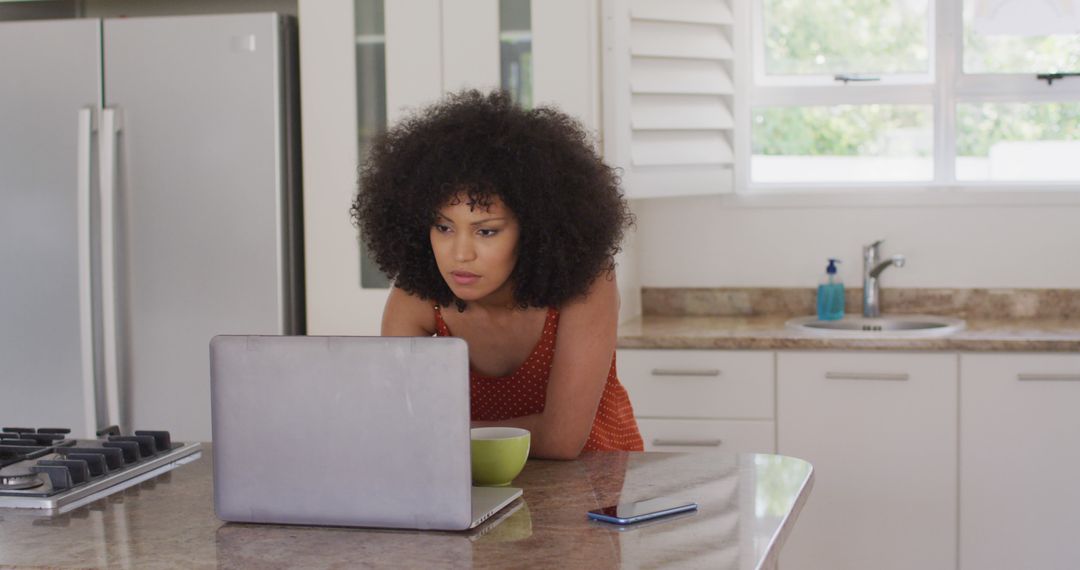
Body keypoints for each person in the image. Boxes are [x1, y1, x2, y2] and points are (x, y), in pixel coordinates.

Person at [351, 90, 644, 459]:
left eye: (486, 231)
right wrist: (413, 432)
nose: (460, 253)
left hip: (597, 489)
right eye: (443, 227)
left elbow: (561, 441)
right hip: (470, 492)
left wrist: (437, 433)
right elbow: (400, 430)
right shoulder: (417, 301)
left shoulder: (586, 282)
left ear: (536, 229)